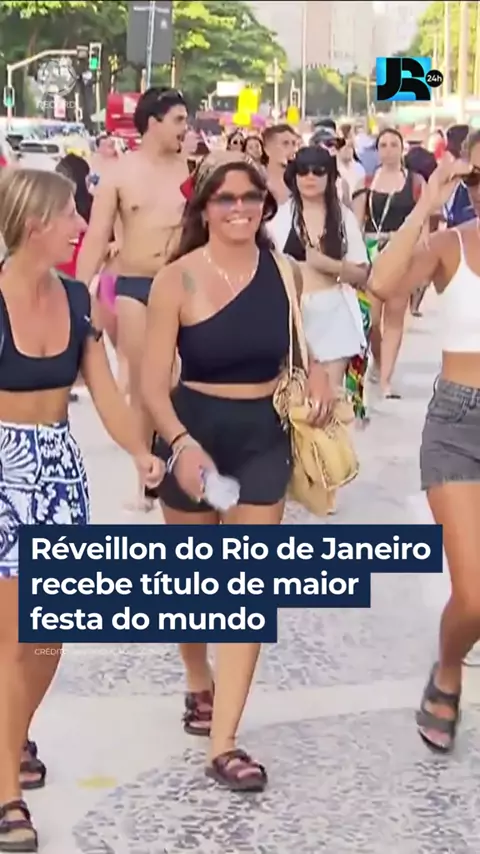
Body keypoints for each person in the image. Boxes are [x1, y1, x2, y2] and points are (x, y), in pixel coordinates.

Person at [141, 150, 334, 792]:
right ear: (204, 208)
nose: (240, 208)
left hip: (262, 436)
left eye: (251, 197)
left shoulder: (285, 272)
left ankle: (224, 742)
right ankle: (198, 678)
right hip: (193, 433)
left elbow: (309, 344)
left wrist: (322, 378)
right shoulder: (176, 280)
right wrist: (179, 444)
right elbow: (151, 385)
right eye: (225, 198)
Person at [0, 167, 163, 853]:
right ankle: (6, 792)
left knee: (50, 637)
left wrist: (141, 452)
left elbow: (107, 396)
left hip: (59, 472)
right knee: (15, 637)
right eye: (71, 215)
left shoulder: (74, 298)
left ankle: (13, 736)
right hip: (4, 471)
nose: (80, 227)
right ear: (36, 224)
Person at [369, 141, 478, 754]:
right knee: (476, 594)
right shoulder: (448, 245)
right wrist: (425, 205)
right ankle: (449, 666)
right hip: (460, 424)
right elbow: (383, 284)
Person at [76, 87, 189, 511]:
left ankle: (179, 457)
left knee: (181, 381)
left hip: (183, 284)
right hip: (135, 286)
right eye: (178, 120)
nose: (185, 128)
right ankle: (146, 478)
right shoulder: (119, 175)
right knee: (146, 383)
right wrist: (77, 291)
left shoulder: (192, 170)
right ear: (153, 123)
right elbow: (95, 236)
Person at [283, 145, 370, 432]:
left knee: (327, 403)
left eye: (318, 171)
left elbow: (362, 272)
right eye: (303, 171)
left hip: (333, 313)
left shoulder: (342, 217)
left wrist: (328, 265)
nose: (310, 177)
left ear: (330, 176)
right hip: (291, 315)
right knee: (293, 402)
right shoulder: (280, 217)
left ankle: (329, 457)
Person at [353, 127, 425, 400]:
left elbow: (423, 218)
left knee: (395, 317)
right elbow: (357, 221)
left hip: (401, 252)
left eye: (394, 144)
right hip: (373, 251)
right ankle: (379, 360)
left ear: (402, 148)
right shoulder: (367, 181)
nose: (389, 150)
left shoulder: (414, 181)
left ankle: (386, 380)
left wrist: (420, 251)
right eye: (383, 145)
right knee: (372, 320)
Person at [263, 123, 298, 250]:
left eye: (294, 144)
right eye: (285, 144)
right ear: (267, 150)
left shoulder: (300, 185)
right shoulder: (258, 184)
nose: (292, 149)